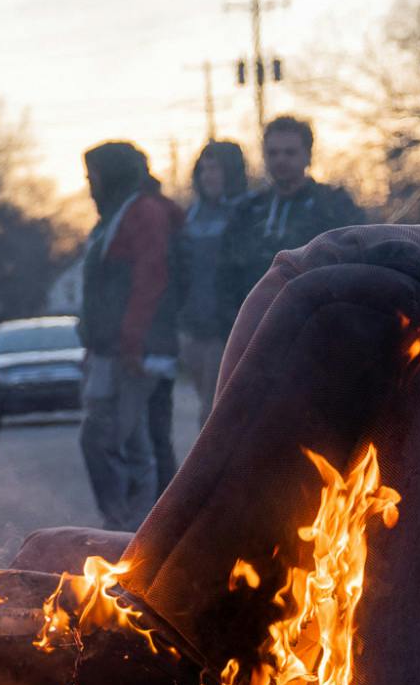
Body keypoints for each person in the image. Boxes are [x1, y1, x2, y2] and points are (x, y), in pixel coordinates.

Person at [77, 141, 183, 531]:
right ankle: (134, 532)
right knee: (130, 442)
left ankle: (137, 533)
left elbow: (150, 279)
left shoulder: (144, 213)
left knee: (121, 443)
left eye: (94, 176)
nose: (90, 185)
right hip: (113, 350)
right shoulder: (116, 216)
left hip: (135, 352)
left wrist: (132, 341)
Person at [216, 115, 366, 328]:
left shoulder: (334, 206)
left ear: (308, 155)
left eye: (290, 152)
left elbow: (355, 268)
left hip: (316, 328)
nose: (280, 160)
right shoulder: (247, 212)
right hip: (255, 328)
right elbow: (226, 275)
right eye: (273, 153)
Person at [175, 140, 248, 427]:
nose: (208, 176)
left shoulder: (247, 211)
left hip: (227, 327)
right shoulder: (191, 216)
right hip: (194, 328)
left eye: (215, 168)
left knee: (213, 410)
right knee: (208, 402)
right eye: (203, 169)